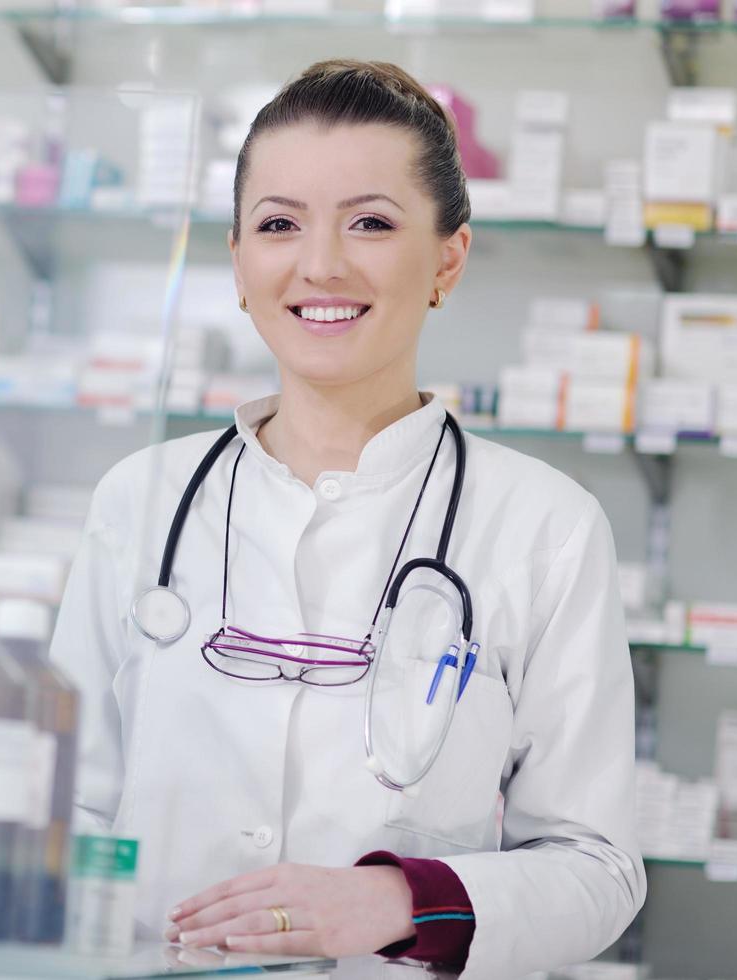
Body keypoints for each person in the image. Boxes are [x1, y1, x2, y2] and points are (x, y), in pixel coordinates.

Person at [48, 60, 645, 978]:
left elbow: (595, 866)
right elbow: (67, 811)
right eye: (278, 224)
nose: (318, 264)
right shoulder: (143, 499)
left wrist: (399, 898)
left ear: (446, 259)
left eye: (370, 222)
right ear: (239, 264)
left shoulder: (545, 526)